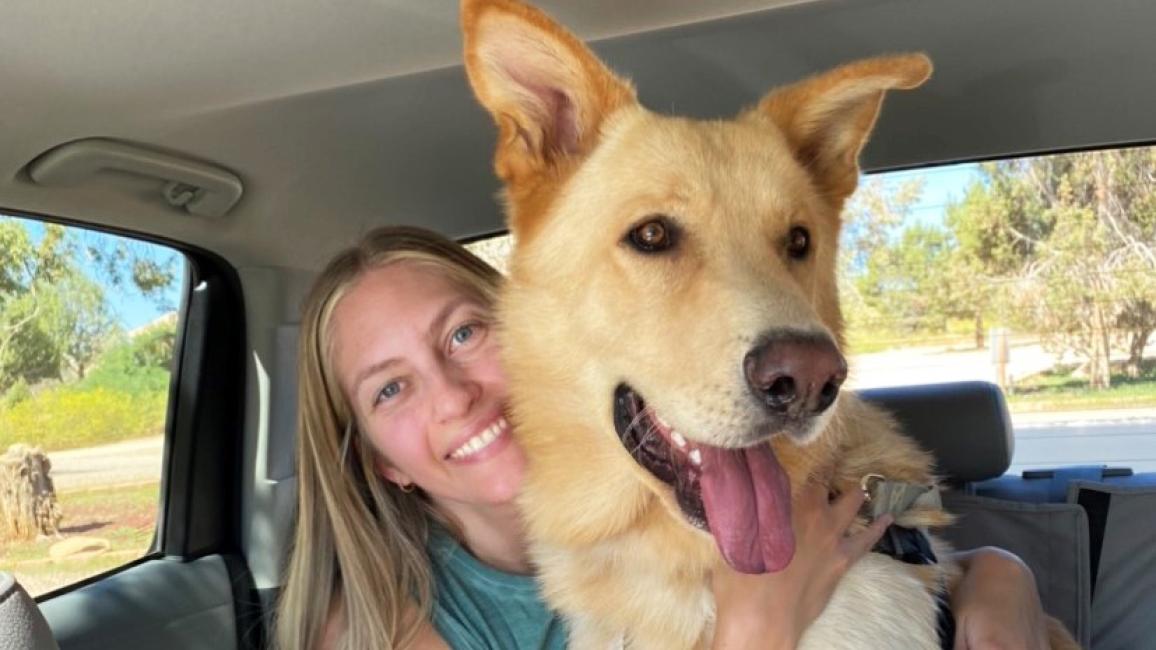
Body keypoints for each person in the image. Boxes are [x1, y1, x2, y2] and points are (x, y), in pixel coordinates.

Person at [276, 225, 1051, 650]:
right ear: (383, 461)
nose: (454, 396)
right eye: (391, 388)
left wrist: (999, 570)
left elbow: (903, 510)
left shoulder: (680, 450)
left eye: (465, 333)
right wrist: (754, 629)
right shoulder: (379, 628)